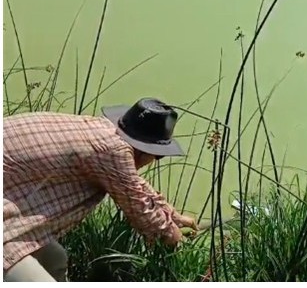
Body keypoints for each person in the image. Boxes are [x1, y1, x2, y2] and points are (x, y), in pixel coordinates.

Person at [3, 98, 200, 282]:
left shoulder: (102, 133)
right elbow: (144, 214)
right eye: (158, 156)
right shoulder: (114, 153)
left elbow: (132, 183)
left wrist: (172, 215)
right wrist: (175, 239)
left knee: (55, 259)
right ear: (145, 151)